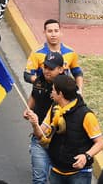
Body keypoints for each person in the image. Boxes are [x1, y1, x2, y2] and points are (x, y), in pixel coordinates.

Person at [23, 73, 103, 184]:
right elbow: (41, 135)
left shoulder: (86, 115)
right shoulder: (54, 108)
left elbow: (100, 143)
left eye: (53, 90)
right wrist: (35, 124)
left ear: (60, 93)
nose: (51, 92)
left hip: (79, 174)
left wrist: (86, 156)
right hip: (56, 171)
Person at [26, 51, 67, 184]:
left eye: (51, 68)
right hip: (38, 136)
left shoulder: (66, 87)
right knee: (39, 179)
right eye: (45, 67)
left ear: (61, 69)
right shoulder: (39, 80)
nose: (46, 71)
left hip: (58, 140)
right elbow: (34, 95)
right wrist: (28, 109)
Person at [25, 19, 85, 92]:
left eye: (56, 31)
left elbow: (77, 72)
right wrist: (41, 82)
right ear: (44, 32)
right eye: (50, 31)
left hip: (64, 95)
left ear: (60, 32)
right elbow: (27, 75)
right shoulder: (36, 53)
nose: (53, 35)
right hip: (43, 94)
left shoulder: (70, 52)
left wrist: (79, 90)